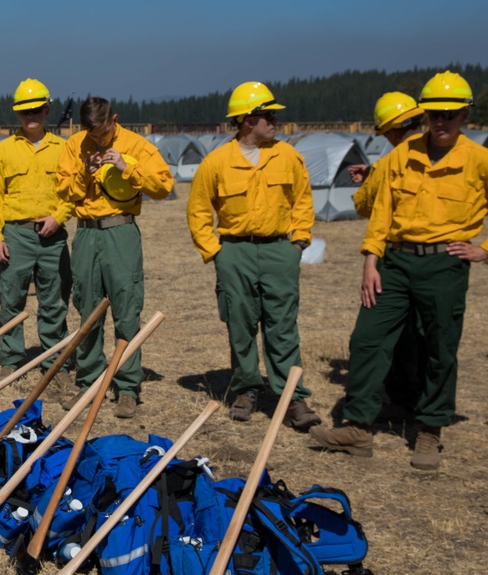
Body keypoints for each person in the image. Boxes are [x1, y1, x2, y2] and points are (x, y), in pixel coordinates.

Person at [311, 71, 488, 470]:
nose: (441, 122)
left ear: (465, 116)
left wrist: (484, 250)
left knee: (439, 348)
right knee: (367, 340)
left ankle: (429, 431)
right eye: (434, 115)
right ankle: (358, 428)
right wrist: (370, 261)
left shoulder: (479, 160)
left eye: (451, 114)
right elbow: (382, 213)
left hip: (445, 264)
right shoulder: (400, 158)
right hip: (393, 261)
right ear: (424, 116)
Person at [186, 82, 318, 429]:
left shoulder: (288, 156)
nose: (274, 121)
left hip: (279, 250)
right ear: (246, 120)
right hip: (235, 252)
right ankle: (246, 389)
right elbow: (198, 210)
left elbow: (303, 200)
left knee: (283, 326)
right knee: (240, 325)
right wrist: (216, 253)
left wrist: (298, 243)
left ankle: (292, 397)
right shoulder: (216, 162)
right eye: (266, 115)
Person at [55, 97, 174, 417]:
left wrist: (127, 166)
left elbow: (164, 186)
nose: (98, 139)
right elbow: (63, 191)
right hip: (87, 233)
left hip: (121, 231)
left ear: (114, 120)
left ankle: (127, 387)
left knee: (126, 308)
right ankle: (89, 382)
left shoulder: (136, 144)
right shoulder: (75, 146)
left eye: (104, 132)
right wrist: (84, 172)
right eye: (92, 134)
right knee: (87, 309)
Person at [0, 79, 74, 385]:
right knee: (11, 298)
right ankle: (10, 359)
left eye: (37, 110)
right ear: (17, 114)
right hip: (16, 235)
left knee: (55, 300)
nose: (31, 116)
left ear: (47, 110)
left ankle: (56, 363)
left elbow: (71, 192)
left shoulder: (64, 149)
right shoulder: (3, 150)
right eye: (25, 112)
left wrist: (59, 218)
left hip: (53, 236)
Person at [347, 92, 427, 422]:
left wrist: (370, 180)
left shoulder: (389, 163)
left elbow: (365, 206)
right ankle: (415, 403)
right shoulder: (448, 155)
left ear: (392, 131)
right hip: (440, 260)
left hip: (393, 256)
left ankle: (389, 404)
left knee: (380, 336)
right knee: (420, 335)